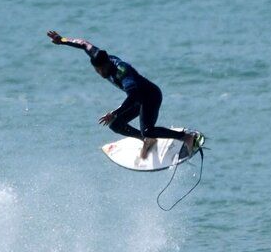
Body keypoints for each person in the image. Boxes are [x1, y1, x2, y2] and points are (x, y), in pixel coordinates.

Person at [47, 31, 201, 161]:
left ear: (107, 64)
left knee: (147, 129)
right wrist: (62, 40)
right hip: (136, 99)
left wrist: (114, 112)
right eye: (97, 70)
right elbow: (82, 43)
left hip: (150, 97)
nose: (100, 73)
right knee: (115, 124)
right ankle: (146, 141)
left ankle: (185, 137)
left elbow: (133, 97)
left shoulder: (122, 72)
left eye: (101, 70)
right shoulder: (98, 55)